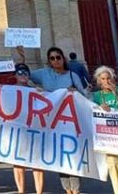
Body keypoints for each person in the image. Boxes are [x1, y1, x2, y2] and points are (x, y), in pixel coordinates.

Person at [28, 46, 86, 194]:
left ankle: (76, 189)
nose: (55, 60)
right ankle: (67, 189)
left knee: (73, 154)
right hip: (52, 122)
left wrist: (76, 92)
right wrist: (35, 88)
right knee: (59, 156)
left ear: (63, 58)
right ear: (49, 61)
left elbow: (84, 95)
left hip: (71, 121)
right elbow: (24, 77)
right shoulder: (43, 74)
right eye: (52, 58)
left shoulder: (73, 76)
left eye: (58, 57)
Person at [92, 65, 118, 194]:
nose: (107, 81)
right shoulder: (96, 96)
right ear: (99, 81)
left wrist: (117, 95)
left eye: (109, 78)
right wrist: (99, 107)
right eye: (103, 79)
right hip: (110, 141)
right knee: (115, 172)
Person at [10, 63, 44, 194]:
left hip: (34, 129)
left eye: (25, 73)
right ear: (15, 75)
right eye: (19, 73)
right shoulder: (9, 90)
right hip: (17, 129)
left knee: (37, 162)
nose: (22, 75)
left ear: (29, 75)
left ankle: (39, 191)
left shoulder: (35, 90)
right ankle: (21, 191)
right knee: (18, 161)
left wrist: (41, 93)